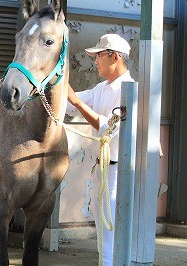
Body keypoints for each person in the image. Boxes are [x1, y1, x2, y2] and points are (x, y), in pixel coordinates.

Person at [66, 34, 135, 266]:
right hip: (103, 170)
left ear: (115, 57)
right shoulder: (102, 88)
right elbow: (71, 103)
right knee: (103, 237)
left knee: (110, 234)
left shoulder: (129, 89)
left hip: (117, 172)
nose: (95, 61)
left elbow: (108, 127)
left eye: (99, 56)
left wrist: (75, 101)